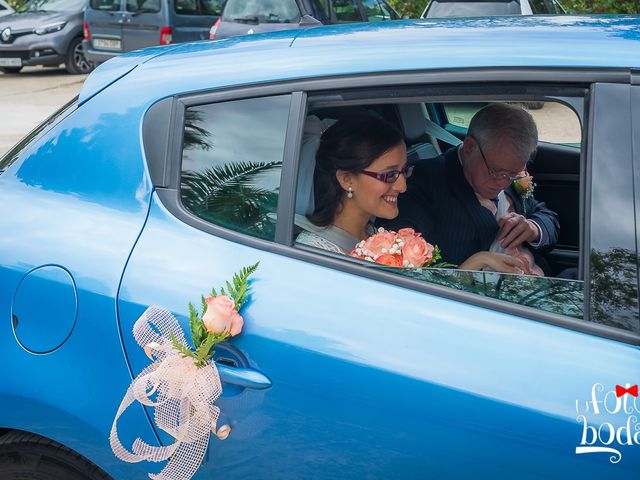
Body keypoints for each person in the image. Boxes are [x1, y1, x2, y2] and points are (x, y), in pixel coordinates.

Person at [296, 113, 525, 273]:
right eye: (389, 175)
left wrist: (480, 260)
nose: (403, 186)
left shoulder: (377, 235)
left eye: (404, 171)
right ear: (346, 179)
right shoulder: (314, 257)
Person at [380, 103, 559, 275]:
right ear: (470, 147)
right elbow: (410, 268)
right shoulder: (423, 185)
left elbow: (546, 216)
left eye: (512, 174)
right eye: (496, 172)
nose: (504, 183)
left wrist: (533, 229)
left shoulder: (506, 168)